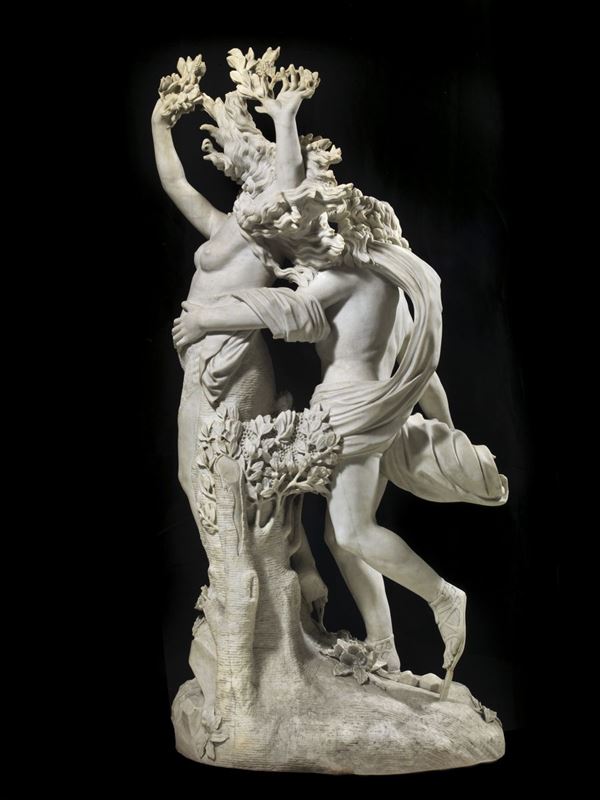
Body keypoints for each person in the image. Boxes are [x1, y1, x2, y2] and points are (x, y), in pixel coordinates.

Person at [171, 60, 508, 696]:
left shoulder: (345, 276)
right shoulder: (388, 285)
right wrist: (443, 427)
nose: (309, 237)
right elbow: (422, 376)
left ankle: (443, 596)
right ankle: (384, 650)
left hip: (348, 412)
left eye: (323, 225)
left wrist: (207, 317)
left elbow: (286, 312)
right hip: (372, 410)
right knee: (339, 534)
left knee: (349, 530)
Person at [152, 57, 330, 619]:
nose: (229, 161)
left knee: (239, 482)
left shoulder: (268, 228)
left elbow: (291, 180)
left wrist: (285, 116)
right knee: (196, 477)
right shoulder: (227, 223)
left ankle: (269, 583)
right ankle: (255, 581)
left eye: (237, 151)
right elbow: (175, 183)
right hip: (200, 361)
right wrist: (159, 125)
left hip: (234, 361)